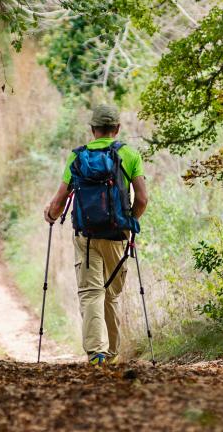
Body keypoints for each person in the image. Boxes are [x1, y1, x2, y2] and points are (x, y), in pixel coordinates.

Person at [44, 104, 148, 365]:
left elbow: (59, 203)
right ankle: (112, 353)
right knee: (111, 294)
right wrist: (129, 222)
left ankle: (96, 354)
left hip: (86, 236)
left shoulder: (77, 158)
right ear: (118, 128)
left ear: (92, 130)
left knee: (91, 293)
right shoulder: (130, 154)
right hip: (117, 235)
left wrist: (50, 215)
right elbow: (143, 199)